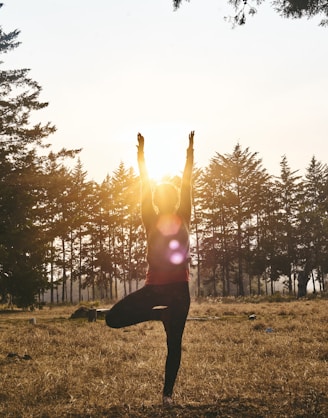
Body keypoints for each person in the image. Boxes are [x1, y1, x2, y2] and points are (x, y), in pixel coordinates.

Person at [106, 131, 194, 406]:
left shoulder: (170, 215)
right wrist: (188, 152)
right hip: (168, 292)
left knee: (116, 320)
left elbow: (175, 186)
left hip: (164, 291)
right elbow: (182, 184)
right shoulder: (160, 217)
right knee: (172, 345)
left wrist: (142, 155)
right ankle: (167, 395)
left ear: (159, 199)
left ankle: (167, 395)